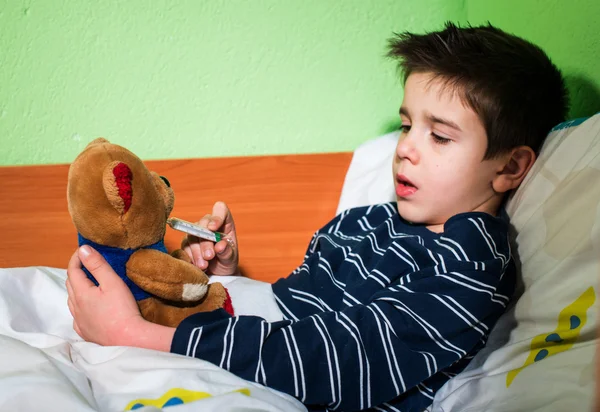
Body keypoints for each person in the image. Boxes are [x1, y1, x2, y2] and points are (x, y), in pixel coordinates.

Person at [66, 22, 568, 411]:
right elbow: (296, 302)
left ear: (510, 166)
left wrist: (136, 336)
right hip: (243, 346)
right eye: (406, 125)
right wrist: (224, 279)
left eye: (439, 136)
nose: (406, 150)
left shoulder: (471, 262)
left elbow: (343, 357)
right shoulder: (370, 220)